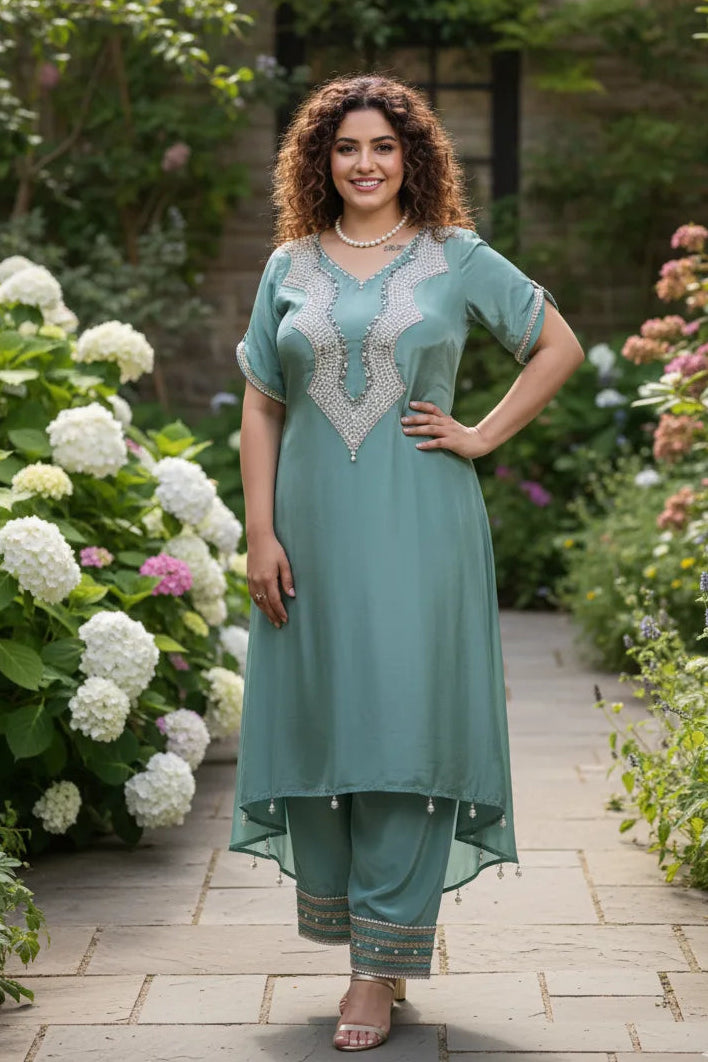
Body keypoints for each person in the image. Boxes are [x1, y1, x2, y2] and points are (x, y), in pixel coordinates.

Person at [229, 73, 584, 1052]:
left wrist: (483, 433)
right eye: (346, 147)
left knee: (401, 732)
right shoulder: (289, 266)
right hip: (307, 535)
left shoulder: (455, 257)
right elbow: (262, 403)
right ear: (320, 160)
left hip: (420, 530)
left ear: (413, 156)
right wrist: (259, 532)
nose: (365, 163)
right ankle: (372, 940)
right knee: (327, 735)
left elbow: (557, 347)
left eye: (384, 146)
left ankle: (378, 972)